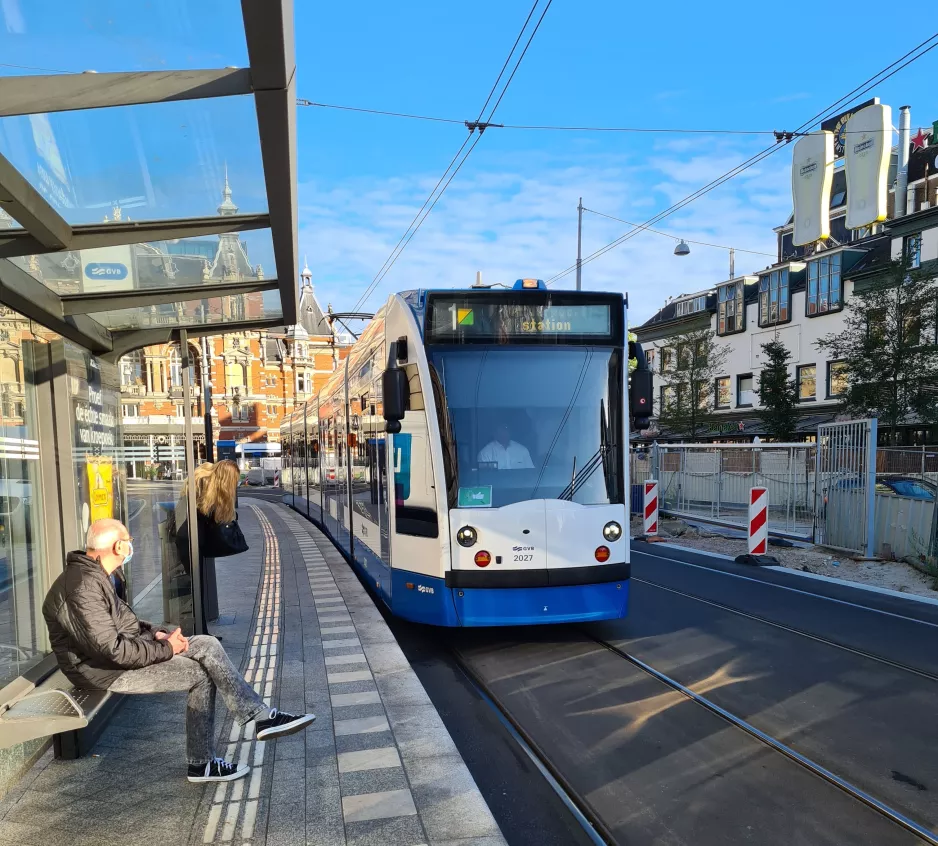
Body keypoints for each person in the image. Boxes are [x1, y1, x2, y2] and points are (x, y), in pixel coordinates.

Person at [42, 518, 315, 784]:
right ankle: (201, 763)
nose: (131, 546)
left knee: (207, 644)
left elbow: (125, 624)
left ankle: (259, 716)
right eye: (128, 541)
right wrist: (165, 648)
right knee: (198, 674)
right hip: (102, 672)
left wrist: (157, 634)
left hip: (116, 657)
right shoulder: (83, 587)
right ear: (118, 548)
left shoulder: (97, 574)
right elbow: (112, 651)